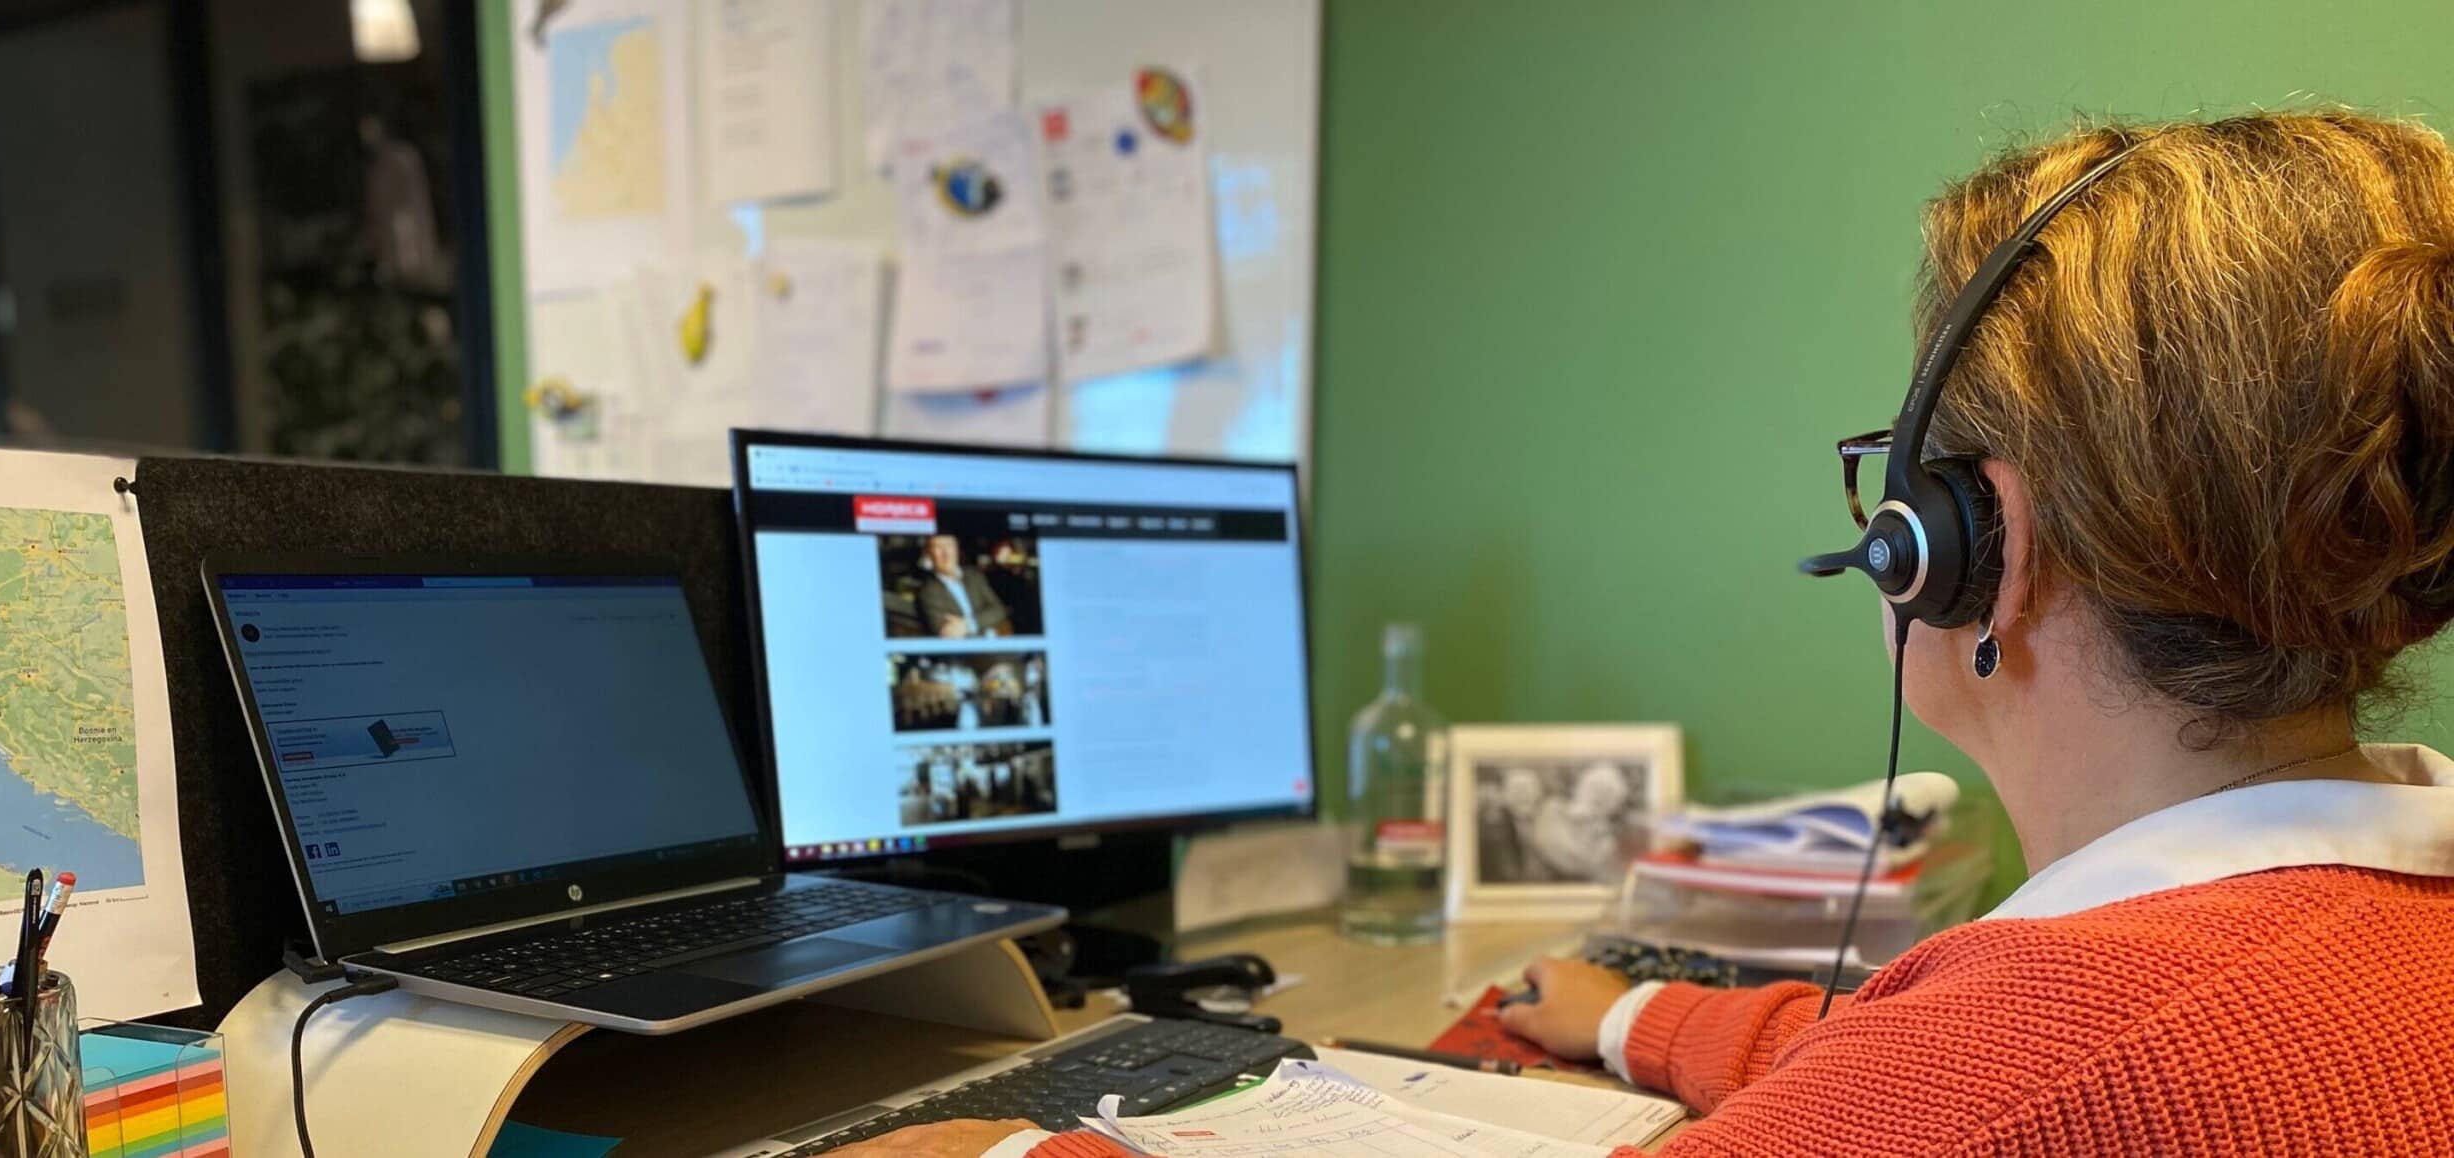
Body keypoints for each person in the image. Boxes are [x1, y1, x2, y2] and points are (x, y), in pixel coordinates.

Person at [827, 110, 2454, 1157]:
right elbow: (1892, 1061)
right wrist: (1629, 1013)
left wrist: (1014, 1145)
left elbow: (1958, 1082)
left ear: (1975, 545)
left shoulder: (2034, 1068)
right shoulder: (2363, 923)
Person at [913, 535, 1013, 638]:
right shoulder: (927, 591)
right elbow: (947, 633)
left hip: (995, 641)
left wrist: (968, 625)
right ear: (929, 553)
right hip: (967, 646)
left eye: (950, 546)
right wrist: (984, 620)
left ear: (957, 549)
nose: (946, 553)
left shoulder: (974, 575)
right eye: (938, 547)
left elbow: (999, 609)